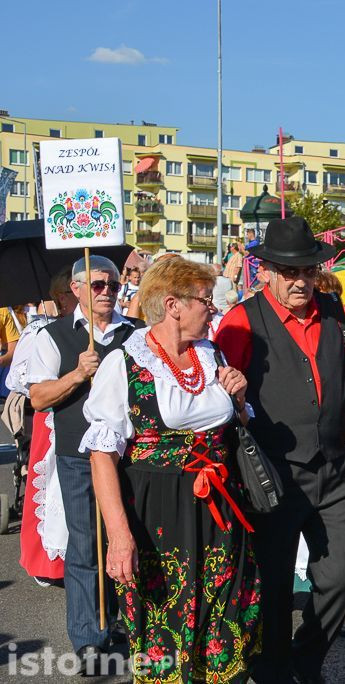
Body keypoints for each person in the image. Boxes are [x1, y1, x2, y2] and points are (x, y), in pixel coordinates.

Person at [83, 258, 260, 682]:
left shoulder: (210, 352)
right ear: (173, 304)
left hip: (219, 506)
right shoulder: (124, 363)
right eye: (205, 300)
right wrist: (119, 537)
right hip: (156, 514)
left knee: (227, 616)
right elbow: (102, 455)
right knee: (164, 625)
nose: (212, 309)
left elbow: (235, 426)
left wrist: (238, 400)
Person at [214, 215, 345, 684]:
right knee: (275, 584)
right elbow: (220, 402)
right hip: (274, 472)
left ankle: (306, 660)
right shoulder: (240, 320)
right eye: (289, 272)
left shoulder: (334, 312)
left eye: (307, 270)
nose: (301, 280)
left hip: (336, 465)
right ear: (265, 271)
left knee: (341, 576)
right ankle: (275, 670)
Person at [26, 256, 142, 674]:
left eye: (112, 284)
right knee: (85, 546)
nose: (107, 291)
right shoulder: (52, 335)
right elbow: (38, 398)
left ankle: (130, 623)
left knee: (133, 540)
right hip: (77, 456)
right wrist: (77, 374)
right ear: (76, 289)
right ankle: (90, 638)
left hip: (130, 456)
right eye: (96, 284)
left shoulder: (134, 333)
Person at [6, 268, 76, 583]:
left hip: (83, 418)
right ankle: (48, 563)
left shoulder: (90, 330)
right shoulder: (40, 332)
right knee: (49, 490)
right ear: (63, 297)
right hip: (49, 420)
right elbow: (17, 379)